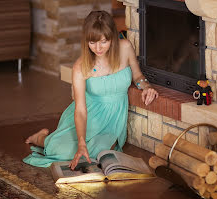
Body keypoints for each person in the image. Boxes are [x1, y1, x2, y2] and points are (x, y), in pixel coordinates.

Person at [23, 10, 158, 169]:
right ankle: (42, 139)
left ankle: (51, 139)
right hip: (87, 116)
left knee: (99, 152)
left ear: (112, 38)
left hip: (112, 120)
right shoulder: (80, 67)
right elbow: (80, 110)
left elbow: (137, 76)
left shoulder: (125, 47)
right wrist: (81, 142)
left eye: (103, 41)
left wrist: (146, 87)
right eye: (92, 42)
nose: (98, 48)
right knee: (61, 151)